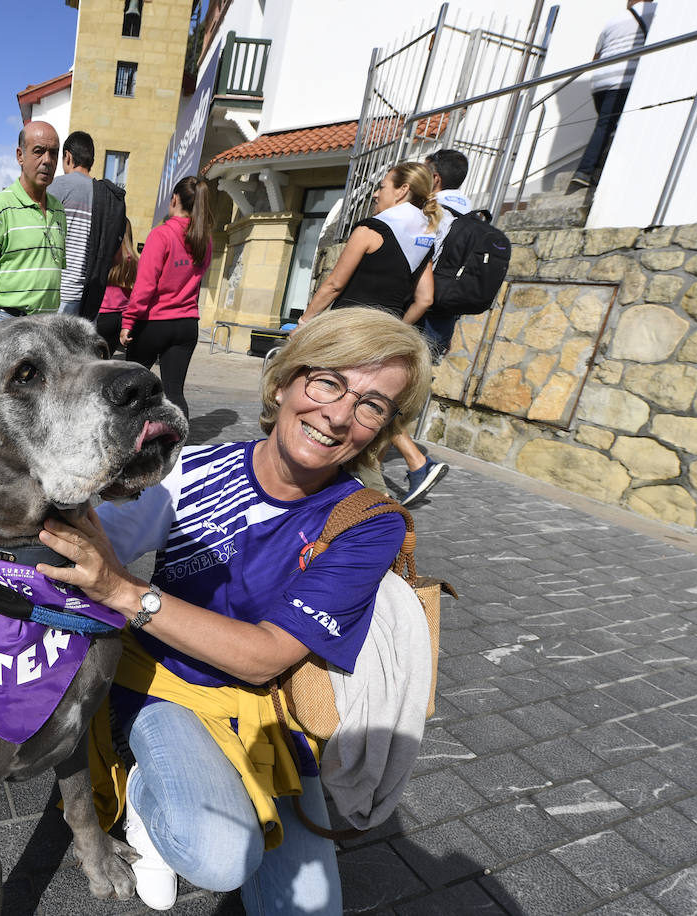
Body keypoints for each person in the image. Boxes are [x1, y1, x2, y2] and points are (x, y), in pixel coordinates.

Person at [35, 308, 431, 914]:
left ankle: (200, 793)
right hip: (164, 685)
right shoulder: (193, 469)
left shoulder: (367, 524)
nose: (340, 414)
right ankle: (143, 788)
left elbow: (265, 656)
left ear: (379, 432)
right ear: (283, 383)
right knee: (220, 856)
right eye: (327, 381)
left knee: (310, 910)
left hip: (274, 712)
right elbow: (88, 547)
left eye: (372, 405)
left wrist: (122, 591)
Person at [299, 161, 449, 505]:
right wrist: (396, 328)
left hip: (348, 332)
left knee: (320, 395)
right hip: (384, 336)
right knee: (368, 405)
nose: (376, 193)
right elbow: (425, 298)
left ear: (402, 190)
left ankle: (368, 488)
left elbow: (335, 283)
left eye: (382, 186)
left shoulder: (371, 230)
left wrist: (305, 323)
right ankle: (412, 465)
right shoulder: (424, 238)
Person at [120, 175, 213, 419]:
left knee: (131, 387)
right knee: (174, 392)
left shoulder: (160, 235)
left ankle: (130, 445)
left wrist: (129, 321)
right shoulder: (205, 241)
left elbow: (145, 286)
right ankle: (177, 448)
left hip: (154, 323)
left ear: (174, 200)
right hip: (186, 325)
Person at [0, 121, 66, 336]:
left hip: (48, 327)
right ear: (20, 155)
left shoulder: (58, 210)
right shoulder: (0, 207)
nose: (47, 161)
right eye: (38, 151)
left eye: (54, 153)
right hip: (8, 324)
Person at [569, 0, 656, 192]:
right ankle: (585, 171)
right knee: (609, 126)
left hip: (599, 82)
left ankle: (597, 169)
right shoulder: (657, 12)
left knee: (607, 125)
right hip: (623, 79)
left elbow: (596, 56)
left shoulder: (613, 20)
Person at [50, 130, 127, 319]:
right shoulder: (109, 198)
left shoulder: (56, 187)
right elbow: (116, 259)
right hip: (89, 303)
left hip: (54, 298)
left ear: (67, 156)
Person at [419, 148, 472, 358]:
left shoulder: (431, 210)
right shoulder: (473, 215)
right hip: (445, 314)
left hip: (419, 308)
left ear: (435, 178)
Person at [96, 219, 137, 357]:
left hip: (102, 314)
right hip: (120, 317)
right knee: (106, 359)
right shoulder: (133, 259)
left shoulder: (109, 255)